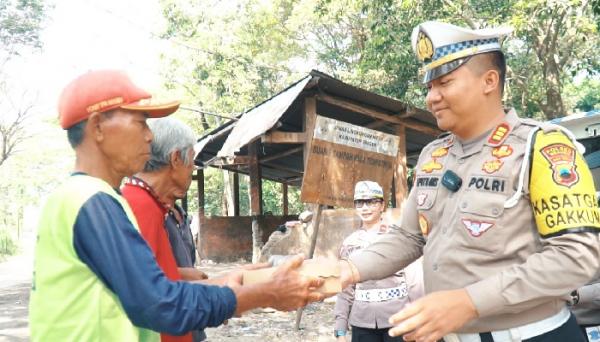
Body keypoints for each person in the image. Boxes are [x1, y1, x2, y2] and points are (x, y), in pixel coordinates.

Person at [337, 21, 600, 342]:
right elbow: (409, 238)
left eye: (445, 82)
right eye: (429, 87)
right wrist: (347, 271)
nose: (432, 97)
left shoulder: (542, 147)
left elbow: (576, 256)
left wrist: (470, 302)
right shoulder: (433, 156)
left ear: (489, 81)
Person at [29, 69, 325, 341]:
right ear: (98, 127)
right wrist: (265, 294)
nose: (148, 135)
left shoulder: (74, 197)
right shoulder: (94, 202)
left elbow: (146, 291)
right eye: (140, 122)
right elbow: (160, 305)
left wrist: (228, 284)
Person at [122, 117, 209, 342]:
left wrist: (180, 274)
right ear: (175, 159)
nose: (192, 169)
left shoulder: (151, 204)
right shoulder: (138, 205)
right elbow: (144, 291)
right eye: (191, 159)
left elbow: (151, 272)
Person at [334, 181, 423, 342]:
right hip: (362, 323)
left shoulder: (397, 238)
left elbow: (415, 282)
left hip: (397, 319)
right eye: (359, 203)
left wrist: (419, 319)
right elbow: (345, 289)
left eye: (371, 202)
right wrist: (340, 328)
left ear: (382, 205)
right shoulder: (350, 243)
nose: (365, 208)